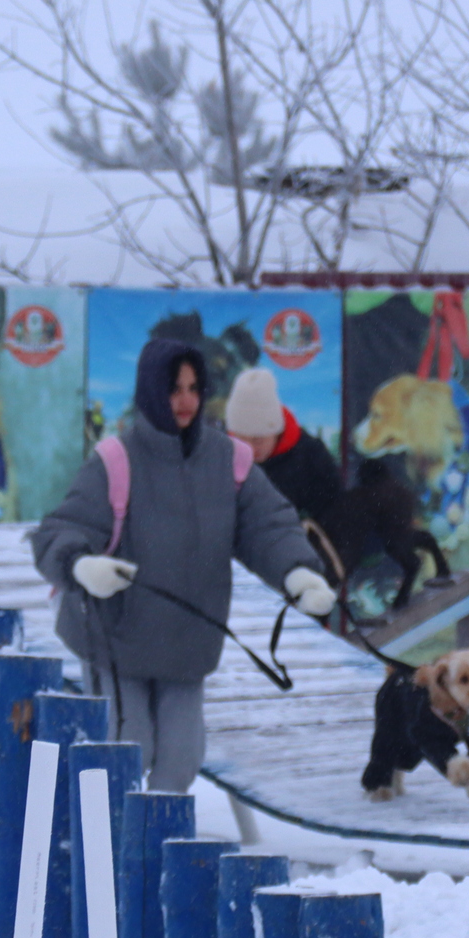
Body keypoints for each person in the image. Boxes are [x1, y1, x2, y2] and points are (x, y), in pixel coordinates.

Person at [33, 338, 336, 794]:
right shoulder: (116, 460)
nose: (186, 400)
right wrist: (81, 566)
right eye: (174, 388)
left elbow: (268, 525)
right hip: (116, 643)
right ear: (152, 389)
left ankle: (152, 856)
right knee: (124, 753)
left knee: (180, 762)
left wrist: (297, 571)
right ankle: (106, 855)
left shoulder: (229, 461)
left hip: (187, 648)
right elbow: (59, 530)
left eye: (194, 388)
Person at [225, 366, 343, 526]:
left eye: (257, 440)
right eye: (241, 441)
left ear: (276, 431)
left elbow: (335, 513)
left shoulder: (311, 456)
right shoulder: (219, 456)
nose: (250, 450)